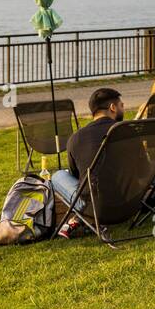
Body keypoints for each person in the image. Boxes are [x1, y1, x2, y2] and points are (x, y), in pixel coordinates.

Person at [55, 87, 125, 238]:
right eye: (121, 105)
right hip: (129, 202)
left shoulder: (76, 138)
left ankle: (81, 218)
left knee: (58, 175)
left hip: (94, 208)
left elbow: (76, 175)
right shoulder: (127, 132)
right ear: (112, 107)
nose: (122, 109)